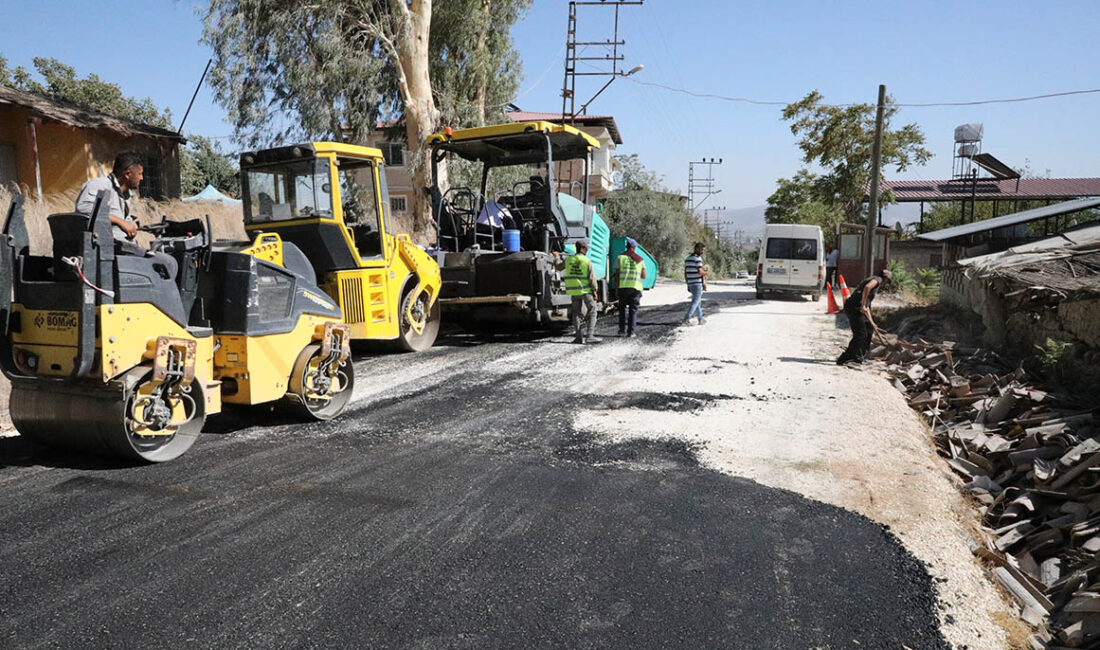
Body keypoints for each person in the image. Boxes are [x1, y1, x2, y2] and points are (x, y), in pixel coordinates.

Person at [75, 152, 177, 281]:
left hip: (122, 248)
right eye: (139, 174)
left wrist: (133, 236)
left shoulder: (126, 196)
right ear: (127, 174)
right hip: (108, 249)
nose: (142, 178)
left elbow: (125, 222)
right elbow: (83, 209)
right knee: (168, 263)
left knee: (162, 259)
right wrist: (120, 222)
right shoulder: (100, 185)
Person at [836, 269, 892, 365]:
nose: (886, 284)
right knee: (860, 334)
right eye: (888, 281)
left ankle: (860, 356)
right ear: (885, 278)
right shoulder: (877, 279)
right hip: (854, 307)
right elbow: (867, 287)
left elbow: (867, 306)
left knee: (869, 329)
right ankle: (845, 358)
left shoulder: (875, 282)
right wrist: (862, 305)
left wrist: (872, 322)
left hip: (858, 307)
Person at [564, 240, 599, 344]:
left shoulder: (568, 259)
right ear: (582, 249)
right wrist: (595, 291)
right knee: (593, 310)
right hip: (586, 291)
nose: (587, 250)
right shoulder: (586, 260)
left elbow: (558, 267)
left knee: (576, 314)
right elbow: (592, 278)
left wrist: (556, 257)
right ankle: (590, 336)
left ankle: (578, 337)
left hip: (574, 292)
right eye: (586, 248)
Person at [613, 238, 646, 337]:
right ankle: (631, 332)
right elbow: (644, 276)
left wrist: (616, 289)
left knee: (622, 310)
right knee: (633, 311)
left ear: (627, 247)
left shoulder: (620, 258)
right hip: (635, 288)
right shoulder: (640, 259)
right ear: (634, 248)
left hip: (623, 288)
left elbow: (617, 275)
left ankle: (621, 330)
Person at [682, 242, 708, 325]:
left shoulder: (687, 259)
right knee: (695, 302)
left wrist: (688, 283)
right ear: (697, 249)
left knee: (697, 302)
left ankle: (700, 319)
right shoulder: (698, 259)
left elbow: (686, 273)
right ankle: (686, 319)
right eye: (701, 250)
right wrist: (706, 272)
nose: (702, 252)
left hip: (691, 282)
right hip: (697, 283)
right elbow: (700, 272)